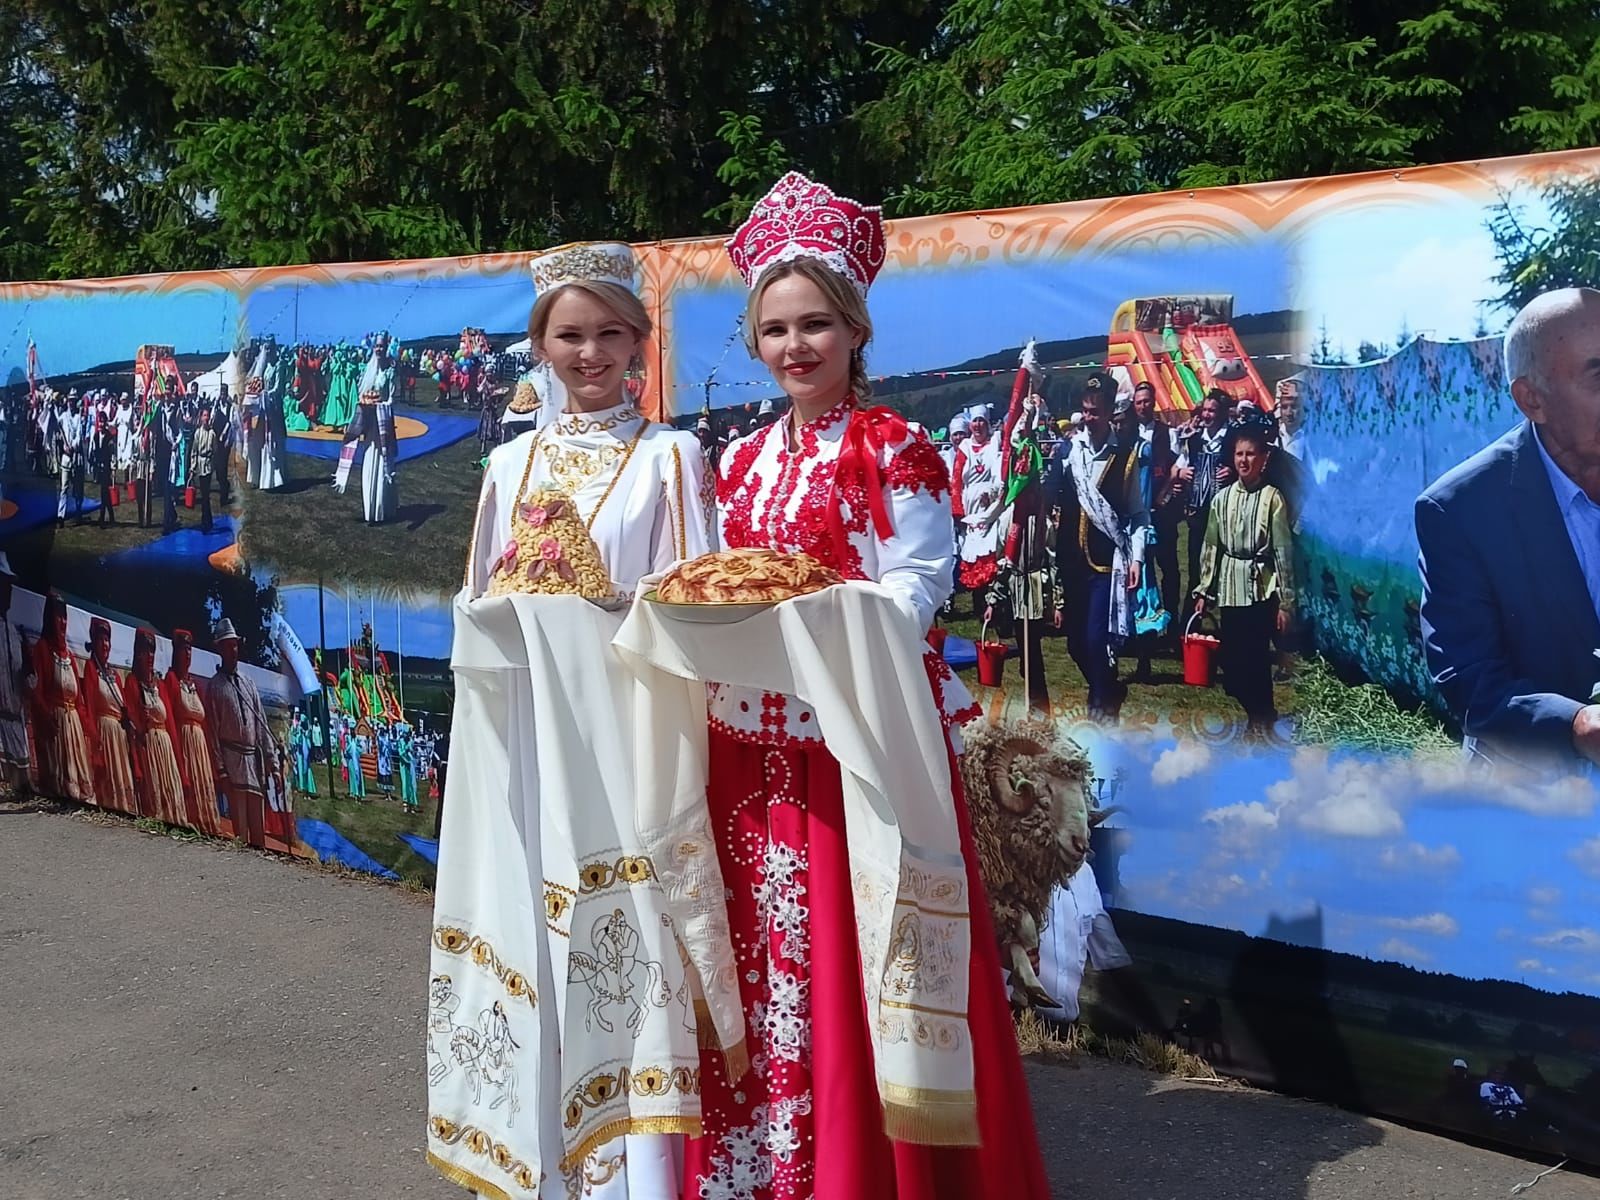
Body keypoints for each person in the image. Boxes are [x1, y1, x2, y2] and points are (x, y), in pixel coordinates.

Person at [671, 171, 1049, 1199]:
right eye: (777, 329)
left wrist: (811, 619)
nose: (796, 347)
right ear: (755, 340)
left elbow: (918, 590)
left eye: (817, 326)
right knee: (763, 952)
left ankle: (866, 1175)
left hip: (857, 745)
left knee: (856, 957)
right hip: (748, 745)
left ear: (854, 332)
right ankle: (771, 1167)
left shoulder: (895, 450)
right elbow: (718, 579)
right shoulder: (739, 461)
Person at [430, 240, 714, 1200]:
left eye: (607, 335)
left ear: (639, 344)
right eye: (568, 336)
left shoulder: (673, 457)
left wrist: (608, 597)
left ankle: (640, 1182)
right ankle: (546, 1172)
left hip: (624, 742)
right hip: (531, 745)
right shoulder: (508, 466)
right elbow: (476, 603)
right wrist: (516, 601)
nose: (589, 355)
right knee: (537, 950)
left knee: (621, 951)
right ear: (540, 347)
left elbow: (691, 610)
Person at [1416, 287, 1600, 772]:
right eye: (1599, 378)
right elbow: (1470, 680)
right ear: (1532, 399)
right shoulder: (1460, 510)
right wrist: (1578, 726)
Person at [1058, 373, 1149, 722]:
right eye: (1085, 411)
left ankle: (1099, 708)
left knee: (1097, 640)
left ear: (1111, 410)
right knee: (1075, 645)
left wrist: (1136, 557)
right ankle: (1108, 684)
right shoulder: (1070, 452)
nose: (1089, 418)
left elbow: (1138, 515)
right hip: (1072, 562)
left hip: (1104, 565)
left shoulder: (1125, 457)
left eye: (1096, 411)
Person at [1194, 422, 1295, 735]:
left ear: (1263, 458)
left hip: (1259, 588)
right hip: (1229, 586)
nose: (1244, 460)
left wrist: (1286, 601)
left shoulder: (1272, 499)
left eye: (1251, 454)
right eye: (1239, 454)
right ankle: (1253, 707)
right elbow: (1211, 546)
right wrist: (1204, 590)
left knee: (1255, 658)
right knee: (1232, 661)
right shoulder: (1221, 500)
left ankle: (1261, 716)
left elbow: (1282, 550)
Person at [202, 618, 284, 850]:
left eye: (235, 645)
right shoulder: (215, 687)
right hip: (232, 762)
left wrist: (273, 765)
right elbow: (213, 733)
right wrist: (221, 771)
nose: (233, 650)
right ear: (219, 649)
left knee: (258, 830)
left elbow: (261, 726)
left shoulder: (248, 684)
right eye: (227, 646)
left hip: (253, 764)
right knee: (240, 833)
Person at [27, 594, 93, 803]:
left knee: (80, 787)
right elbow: (36, 691)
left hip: (72, 725)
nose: (62, 623)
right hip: (54, 727)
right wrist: (47, 717)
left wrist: (86, 729)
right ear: (49, 619)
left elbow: (79, 700)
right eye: (58, 617)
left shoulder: (70, 657)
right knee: (60, 786)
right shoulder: (43, 650)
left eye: (64, 618)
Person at [162, 628, 226, 836]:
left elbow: (206, 724)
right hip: (184, 742)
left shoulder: (195, 685)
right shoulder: (170, 680)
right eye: (183, 650)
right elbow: (170, 717)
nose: (187, 654)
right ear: (175, 652)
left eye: (189, 650)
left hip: (199, 745)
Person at [124, 627, 187, 827]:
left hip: (166, 749)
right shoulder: (132, 683)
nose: (148, 656)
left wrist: (181, 767)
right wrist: (138, 766)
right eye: (144, 651)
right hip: (148, 750)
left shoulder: (161, 686)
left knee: (172, 796)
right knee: (155, 801)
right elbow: (133, 730)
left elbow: (172, 729)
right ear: (137, 654)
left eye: (151, 651)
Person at [1177, 390, 1233, 603]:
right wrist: (1183, 473)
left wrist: (1233, 472)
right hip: (1198, 512)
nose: (1207, 415)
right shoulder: (1194, 440)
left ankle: (1220, 614)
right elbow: (1180, 466)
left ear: (1222, 413)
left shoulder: (1232, 437)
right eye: (1205, 410)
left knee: (1222, 562)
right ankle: (1194, 617)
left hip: (1225, 511)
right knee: (1195, 564)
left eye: (1212, 411)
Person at [337, 334, 399, 523]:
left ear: (386, 347)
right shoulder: (368, 369)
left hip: (383, 424)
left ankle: (382, 507)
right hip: (369, 424)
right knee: (369, 459)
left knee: (382, 461)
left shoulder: (389, 372)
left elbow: (391, 399)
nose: (378, 349)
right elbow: (363, 393)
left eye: (381, 346)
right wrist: (364, 403)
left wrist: (380, 405)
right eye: (376, 346)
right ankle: (369, 509)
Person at [80, 617, 139, 816]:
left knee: (124, 783)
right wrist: (94, 741)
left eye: (107, 640)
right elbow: (88, 703)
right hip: (104, 733)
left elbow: (125, 705)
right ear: (93, 642)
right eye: (100, 640)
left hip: (119, 737)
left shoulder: (114, 674)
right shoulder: (91, 669)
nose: (105, 645)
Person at [0, 555, 31, 792]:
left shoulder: (15, 632)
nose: (7, 592)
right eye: (3, 585)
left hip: (15, 719)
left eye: (9, 586)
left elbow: (26, 674)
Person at [191, 407, 217, 533]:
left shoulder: (212, 433)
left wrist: (213, 464)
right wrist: (193, 467)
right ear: (201, 418)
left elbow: (215, 449)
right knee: (203, 494)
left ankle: (207, 520)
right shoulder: (197, 433)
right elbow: (194, 451)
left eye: (207, 416)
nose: (206, 418)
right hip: (200, 464)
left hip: (208, 464)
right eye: (204, 416)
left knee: (206, 494)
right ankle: (205, 519)